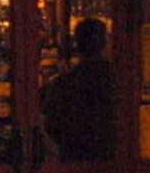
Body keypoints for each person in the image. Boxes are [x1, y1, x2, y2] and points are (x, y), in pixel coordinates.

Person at [38, 17, 116, 162]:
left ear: (78, 45)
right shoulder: (117, 82)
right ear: (104, 44)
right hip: (111, 160)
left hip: (73, 161)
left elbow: (51, 125)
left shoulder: (63, 83)